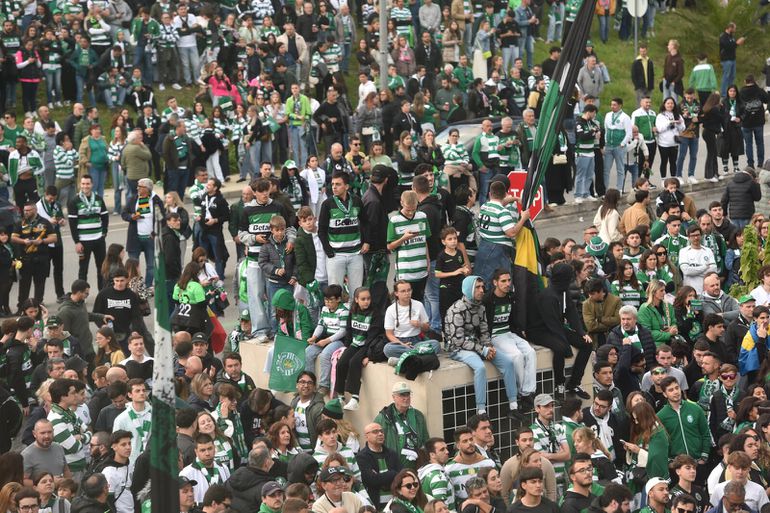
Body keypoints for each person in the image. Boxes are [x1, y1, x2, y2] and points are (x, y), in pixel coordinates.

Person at [444, 276, 525, 420]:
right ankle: (481, 411)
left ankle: (513, 407)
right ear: (468, 289)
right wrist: (483, 350)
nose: (482, 290)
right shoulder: (456, 309)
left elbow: (484, 331)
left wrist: (488, 346)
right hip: (457, 349)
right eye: (477, 287)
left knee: (507, 362)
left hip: (477, 345)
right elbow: (458, 340)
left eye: (482, 287)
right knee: (480, 368)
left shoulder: (480, 307)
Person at [525, 263, 593, 397]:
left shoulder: (564, 291)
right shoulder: (548, 295)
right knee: (560, 348)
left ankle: (574, 383)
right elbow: (552, 323)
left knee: (587, 345)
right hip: (538, 330)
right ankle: (559, 385)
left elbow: (571, 313)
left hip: (554, 327)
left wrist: (581, 333)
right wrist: (566, 345)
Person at [374, 382, 430, 469]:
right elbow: (375, 444)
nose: (406, 398)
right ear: (394, 397)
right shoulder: (383, 418)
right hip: (392, 467)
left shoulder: (418, 415)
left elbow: (426, 440)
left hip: (416, 466)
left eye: (408, 394)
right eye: (402, 395)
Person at [67, 175, 108, 291]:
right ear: (80, 185)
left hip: (98, 239)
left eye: (88, 184)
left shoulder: (99, 199)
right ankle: (81, 295)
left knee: (102, 268)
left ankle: (102, 293)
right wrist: (77, 242)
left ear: (92, 184)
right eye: (83, 184)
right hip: (83, 241)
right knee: (83, 269)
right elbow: (72, 224)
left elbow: (105, 217)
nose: (85, 186)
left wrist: (104, 233)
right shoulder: (74, 201)